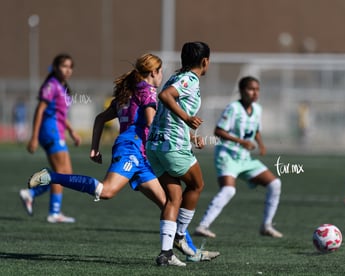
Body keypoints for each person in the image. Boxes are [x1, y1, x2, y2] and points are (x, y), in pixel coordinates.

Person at [28, 53, 218, 266]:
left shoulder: (128, 92)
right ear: (153, 73)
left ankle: (188, 251)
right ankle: (51, 176)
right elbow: (150, 120)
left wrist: (95, 148)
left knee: (169, 203)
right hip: (132, 150)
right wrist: (188, 134)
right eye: (160, 71)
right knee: (106, 191)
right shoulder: (147, 92)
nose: (162, 75)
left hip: (139, 153)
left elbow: (100, 118)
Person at [146, 42, 210, 266]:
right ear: (205, 61)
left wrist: (191, 137)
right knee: (197, 185)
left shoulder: (175, 77)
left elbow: (166, 114)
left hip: (154, 146)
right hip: (172, 147)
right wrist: (187, 119)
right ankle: (180, 236)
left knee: (174, 197)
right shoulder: (189, 80)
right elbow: (165, 96)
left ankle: (166, 253)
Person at [194, 76, 283, 239]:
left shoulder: (258, 109)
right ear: (242, 91)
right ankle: (202, 226)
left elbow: (255, 129)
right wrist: (241, 141)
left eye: (257, 89)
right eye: (250, 89)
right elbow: (218, 131)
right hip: (227, 156)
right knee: (228, 190)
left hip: (244, 159)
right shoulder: (233, 108)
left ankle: (266, 225)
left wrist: (261, 144)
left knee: (275, 184)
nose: (254, 92)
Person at [20, 54, 81, 223]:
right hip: (50, 131)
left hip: (58, 132)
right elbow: (40, 110)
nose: (67, 70)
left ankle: (31, 193)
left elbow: (61, 115)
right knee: (62, 173)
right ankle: (54, 213)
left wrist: (72, 131)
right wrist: (33, 137)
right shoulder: (51, 85)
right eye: (64, 66)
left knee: (66, 174)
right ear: (55, 67)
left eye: (70, 67)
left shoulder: (62, 88)